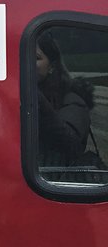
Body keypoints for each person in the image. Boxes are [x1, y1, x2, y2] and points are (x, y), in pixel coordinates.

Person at [36, 31, 93, 167]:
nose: (27, 63)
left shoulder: (73, 100)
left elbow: (70, 145)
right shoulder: (16, 95)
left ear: (52, 67)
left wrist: (34, 96)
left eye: (36, 58)